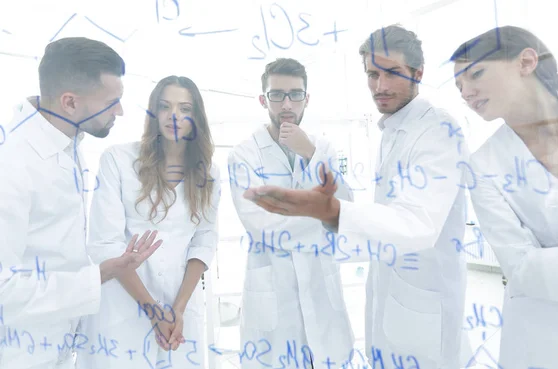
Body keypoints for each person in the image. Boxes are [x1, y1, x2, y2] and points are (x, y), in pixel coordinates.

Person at [243, 26, 471, 369]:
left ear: (417, 73)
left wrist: (331, 211)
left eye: (391, 73)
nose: (380, 86)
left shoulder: (436, 131)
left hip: (423, 311)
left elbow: (417, 224)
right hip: (388, 301)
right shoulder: (394, 129)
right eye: (372, 74)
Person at [0, 37, 162, 369]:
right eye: (111, 101)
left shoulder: (65, 137)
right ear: (70, 102)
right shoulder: (11, 163)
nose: (119, 110)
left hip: (55, 344)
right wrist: (102, 273)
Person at [451, 25, 558, 368]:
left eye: (476, 74)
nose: (467, 93)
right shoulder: (483, 163)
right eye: (459, 87)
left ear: (526, 61)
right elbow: (521, 268)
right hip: (545, 334)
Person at [77, 76, 221, 369]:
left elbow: (204, 241)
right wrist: (153, 310)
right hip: (123, 304)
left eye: (185, 108)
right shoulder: (118, 159)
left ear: (197, 117)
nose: (174, 116)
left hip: (180, 310)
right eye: (165, 106)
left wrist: (176, 310)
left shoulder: (209, 173)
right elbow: (106, 243)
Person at [227, 58, 355, 369]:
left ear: (307, 98)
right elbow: (262, 227)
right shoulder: (243, 154)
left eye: (296, 94)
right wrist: (324, 216)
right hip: (274, 295)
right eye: (277, 94)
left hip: (320, 291)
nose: (287, 104)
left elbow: (348, 206)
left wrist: (310, 154)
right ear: (263, 99)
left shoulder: (321, 147)